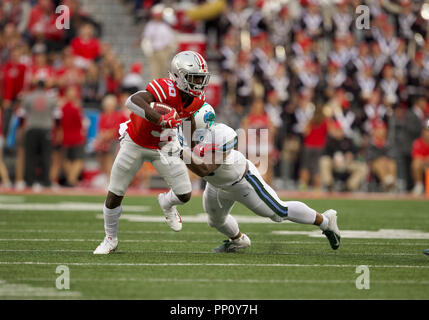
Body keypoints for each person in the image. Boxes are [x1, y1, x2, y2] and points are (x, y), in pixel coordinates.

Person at [93, 51, 211, 254]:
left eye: (201, 78)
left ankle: (166, 203)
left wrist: (190, 145)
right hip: (135, 142)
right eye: (195, 78)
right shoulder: (165, 87)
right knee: (115, 194)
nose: (199, 83)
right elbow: (132, 101)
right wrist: (160, 118)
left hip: (163, 145)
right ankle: (110, 239)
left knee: (184, 194)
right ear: (179, 76)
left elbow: (189, 119)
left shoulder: (196, 100)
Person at [174, 113, 341, 253]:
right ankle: (238, 240)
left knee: (279, 212)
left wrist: (180, 153)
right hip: (217, 184)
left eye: (190, 124)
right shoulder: (189, 134)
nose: (186, 128)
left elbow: (206, 169)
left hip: (243, 181)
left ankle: (326, 222)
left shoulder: (222, 135)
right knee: (215, 220)